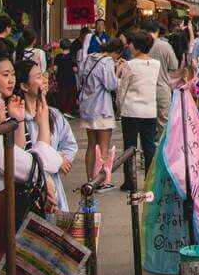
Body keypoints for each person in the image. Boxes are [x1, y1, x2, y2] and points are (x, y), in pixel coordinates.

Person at [0, 42, 60, 272]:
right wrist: (43, 124)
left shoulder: (4, 117)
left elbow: (20, 155)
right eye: (5, 75)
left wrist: (18, 121)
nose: (10, 80)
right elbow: (34, 164)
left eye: (12, 74)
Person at [15, 58, 77, 211]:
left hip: (54, 187)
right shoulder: (16, 119)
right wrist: (56, 159)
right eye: (38, 77)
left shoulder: (54, 115)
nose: (44, 80)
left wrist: (62, 160)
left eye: (43, 75)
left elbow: (70, 145)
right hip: (31, 191)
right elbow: (21, 157)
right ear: (24, 86)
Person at [117, 31, 161, 190]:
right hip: (149, 110)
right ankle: (150, 181)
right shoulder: (156, 64)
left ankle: (130, 182)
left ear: (137, 46)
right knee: (149, 147)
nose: (129, 46)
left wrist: (119, 106)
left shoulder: (130, 65)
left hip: (131, 110)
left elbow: (122, 89)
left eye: (131, 44)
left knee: (129, 147)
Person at [78, 38, 122, 193]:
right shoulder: (107, 62)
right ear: (116, 52)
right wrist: (117, 71)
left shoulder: (89, 58)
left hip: (87, 107)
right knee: (103, 146)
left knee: (91, 145)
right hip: (102, 108)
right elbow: (111, 85)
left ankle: (90, 179)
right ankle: (100, 181)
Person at [146, 20, 181, 135]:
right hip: (162, 88)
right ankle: (163, 146)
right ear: (157, 30)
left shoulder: (140, 45)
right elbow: (174, 66)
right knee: (164, 124)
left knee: (147, 125)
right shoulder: (165, 46)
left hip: (145, 88)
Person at [53, 38, 77, 117]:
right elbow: (75, 69)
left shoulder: (58, 56)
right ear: (70, 46)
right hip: (70, 79)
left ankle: (62, 111)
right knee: (71, 95)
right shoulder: (72, 56)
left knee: (62, 95)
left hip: (60, 79)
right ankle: (68, 111)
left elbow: (55, 69)